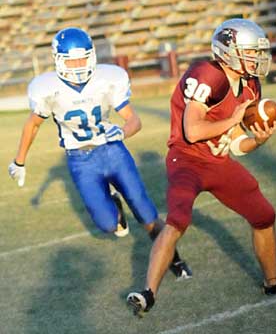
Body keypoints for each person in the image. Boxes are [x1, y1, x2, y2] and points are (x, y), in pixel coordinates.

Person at [127, 18, 276, 316]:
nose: (256, 58)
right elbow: (193, 130)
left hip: (218, 161)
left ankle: (273, 283)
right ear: (228, 51)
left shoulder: (251, 85)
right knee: (178, 219)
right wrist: (234, 119)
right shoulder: (208, 74)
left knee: (264, 215)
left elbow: (236, 143)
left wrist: (258, 140)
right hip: (186, 158)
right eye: (250, 51)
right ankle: (148, 293)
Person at [8, 27, 192, 280]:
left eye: (82, 58)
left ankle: (176, 261)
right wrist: (19, 161)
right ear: (58, 60)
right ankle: (115, 207)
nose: (78, 65)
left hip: (114, 152)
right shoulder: (46, 87)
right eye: (71, 60)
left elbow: (134, 120)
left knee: (145, 212)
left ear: (92, 56)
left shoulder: (107, 78)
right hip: (81, 161)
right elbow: (33, 124)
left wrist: (122, 133)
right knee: (107, 225)